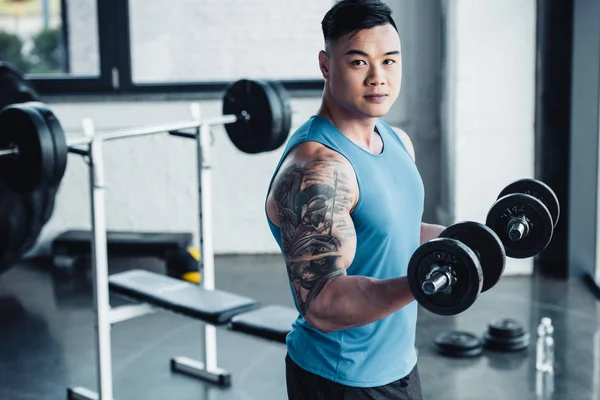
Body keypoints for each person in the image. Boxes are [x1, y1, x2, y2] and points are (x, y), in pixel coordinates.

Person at [264, 1, 445, 398]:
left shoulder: (397, 142)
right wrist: (422, 283)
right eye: (359, 62)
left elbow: (390, 232)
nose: (378, 78)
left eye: (390, 61)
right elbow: (323, 303)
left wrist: (459, 243)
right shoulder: (316, 168)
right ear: (326, 65)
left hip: (399, 366)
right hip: (339, 379)